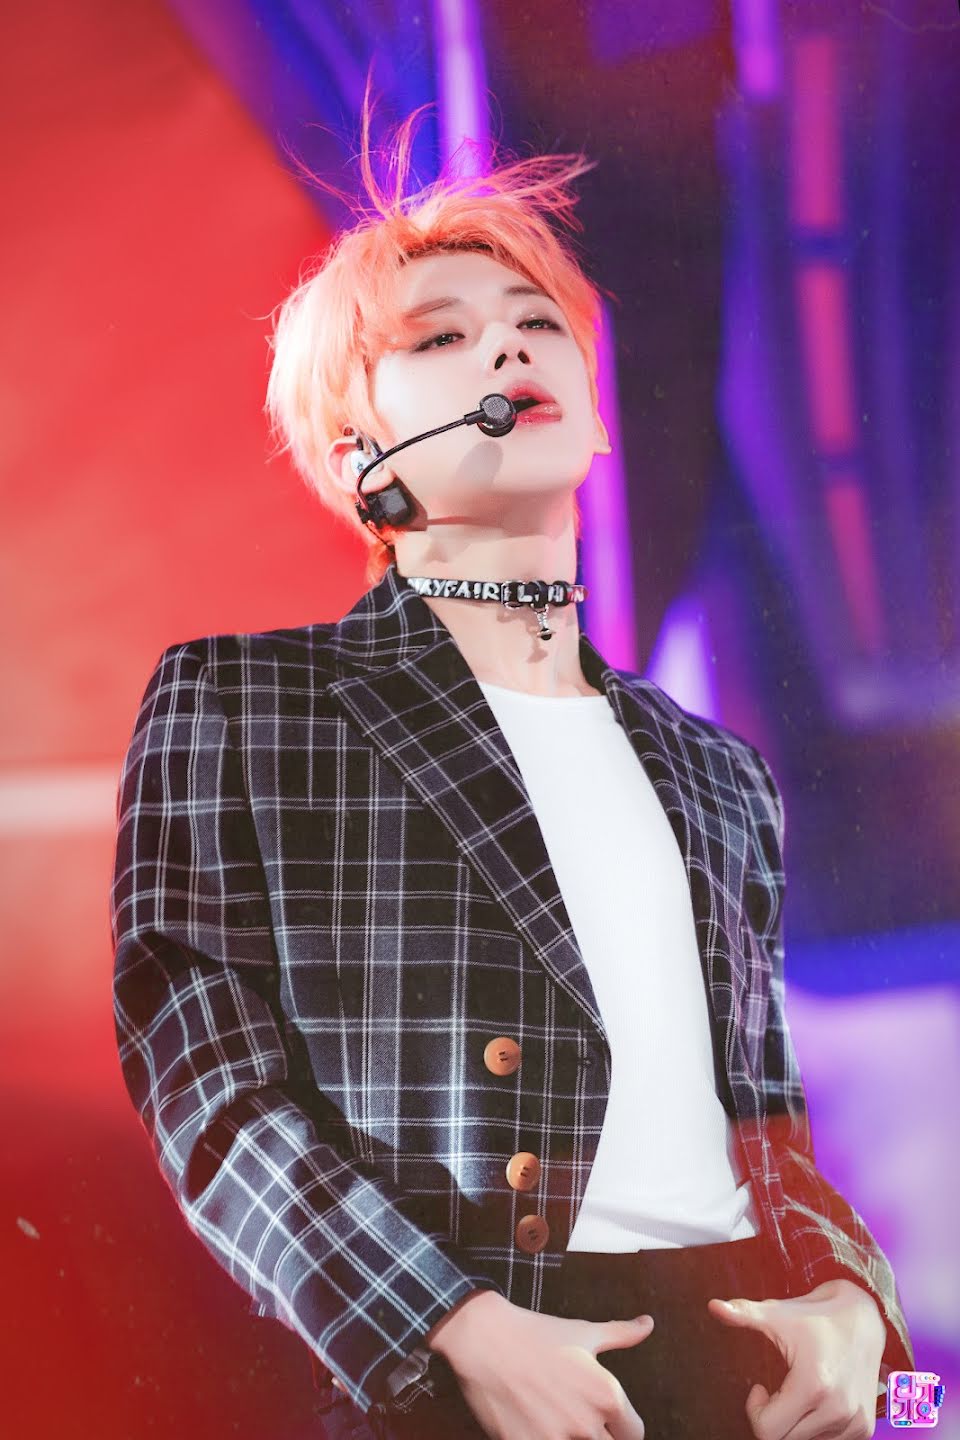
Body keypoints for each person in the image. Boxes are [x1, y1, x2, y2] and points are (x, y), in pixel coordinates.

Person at [110, 82, 914, 1440]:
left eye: (539, 324)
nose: (509, 344)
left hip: (754, 1372)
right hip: (468, 1364)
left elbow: (772, 1137)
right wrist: (449, 1326)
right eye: (443, 335)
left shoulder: (718, 772)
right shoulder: (242, 703)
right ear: (361, 457)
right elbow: (207, 1087)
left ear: (596, 422)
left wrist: (858, 1311)